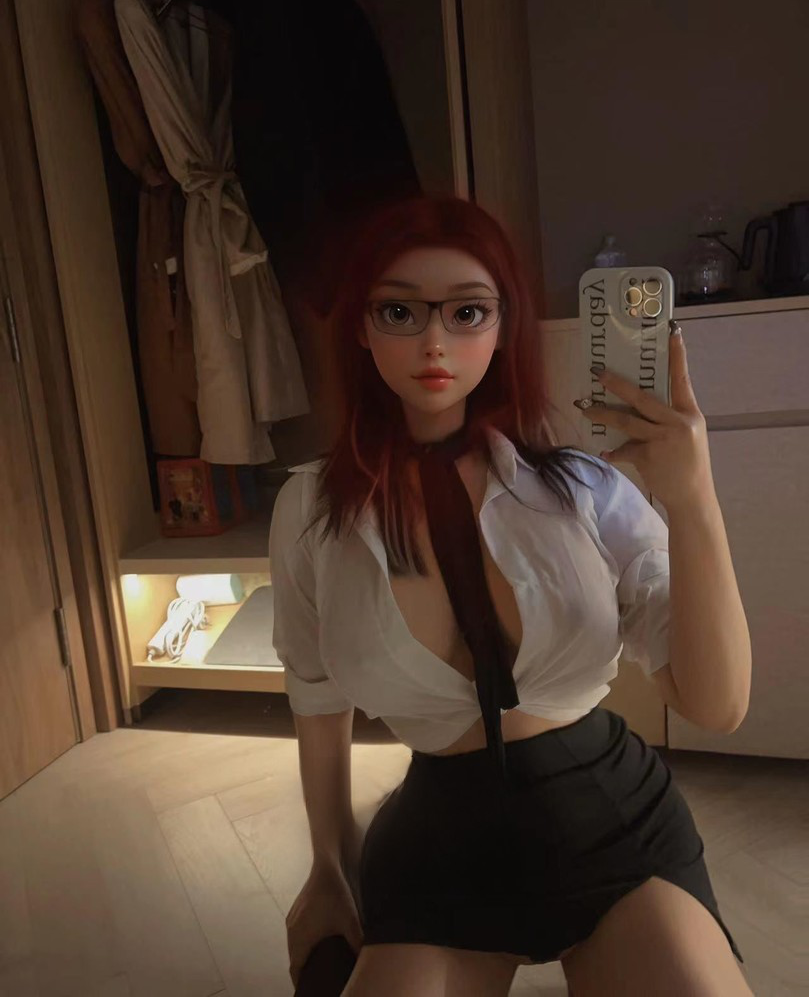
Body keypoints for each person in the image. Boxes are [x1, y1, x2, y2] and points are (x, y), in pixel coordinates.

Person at [269, 194, 753, 996]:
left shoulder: (582, 488)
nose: (434, 342)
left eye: (466, 312)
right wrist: (328, 862)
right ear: (359, 326)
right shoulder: (311, 512)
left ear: (502, 327)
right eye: (399, 311)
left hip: (610, 822)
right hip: (436, 845)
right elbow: (314, 690)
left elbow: (717, 703)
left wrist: (693, 499)